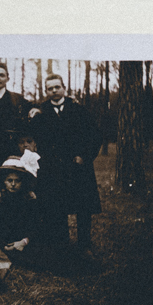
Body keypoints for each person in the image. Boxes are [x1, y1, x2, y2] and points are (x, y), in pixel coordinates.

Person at [29, 73, 103, 251]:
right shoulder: (41, 112)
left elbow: (95, 135)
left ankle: (84, 243)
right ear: (46, 91)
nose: (54, 91)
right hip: (53, 168)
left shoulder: (79, 109)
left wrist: (84, 156)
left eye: (57, 87)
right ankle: (62, 243)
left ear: (64, 88)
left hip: (78, 167)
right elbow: (35, 138)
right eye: (50, 88)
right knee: (56, 205)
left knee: (83, 207)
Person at [0, 153, 51, 269]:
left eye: (17, 181)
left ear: (23, 182)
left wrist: (23, 242)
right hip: (4, 243)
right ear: (4, 181)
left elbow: (35, 226)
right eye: (9, 180)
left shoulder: (29, 200)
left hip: (23, 242)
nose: (13, 184)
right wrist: (3, 245)